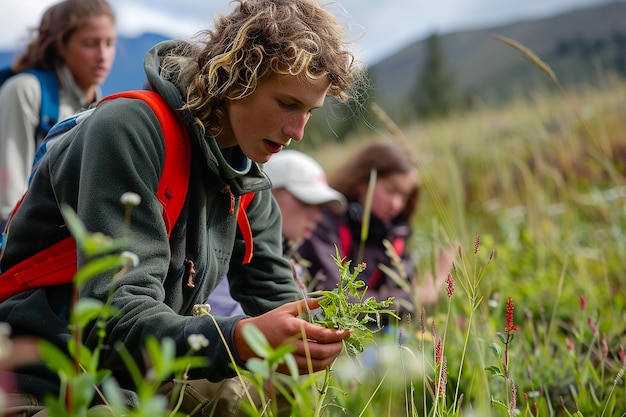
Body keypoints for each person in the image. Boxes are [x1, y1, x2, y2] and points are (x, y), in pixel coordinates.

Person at [0, 0, 360, 415]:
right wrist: (238, 340)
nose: (298, 131)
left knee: (287, 396)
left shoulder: (244, 173)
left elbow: (277, 294)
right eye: (286, 104)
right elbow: (118, 317)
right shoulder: (128, 130)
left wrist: (324, 341)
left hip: (141, 377)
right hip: (45, 376)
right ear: (237, 80)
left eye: (309, 112)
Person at [298, 140, 455, 320]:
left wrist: (437, 278)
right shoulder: (322, 222)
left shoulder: (396, 233)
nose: (396, 204)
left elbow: (399, 294)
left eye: (404, 195)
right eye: (390, 190)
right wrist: (419, 296)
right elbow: (334, 302)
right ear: (362, 183)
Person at [0, 0, 117, 227]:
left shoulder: (102, 109)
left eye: (110, 43)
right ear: (61, 46)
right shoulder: (26, 91)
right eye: (91, 43)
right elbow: (7, 197)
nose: (103, 55)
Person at [207, 149, 347, 317]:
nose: (317, 216)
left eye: (321, 208)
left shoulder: (294, 265)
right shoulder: (223, 249)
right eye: (306, 200)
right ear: (268, 193)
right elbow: (220, 318)